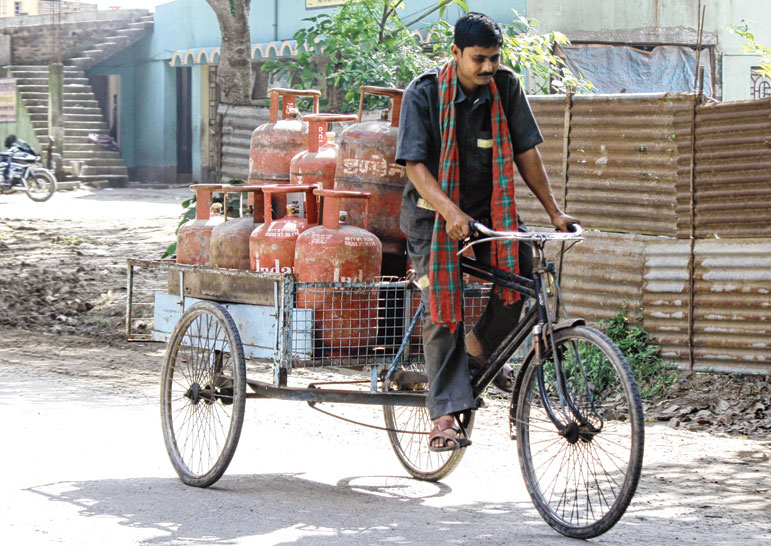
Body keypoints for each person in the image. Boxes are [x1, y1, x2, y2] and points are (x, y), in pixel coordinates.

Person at [395, 12, 579, 451]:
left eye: (494, 58)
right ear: (455, 53)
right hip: (430, 215)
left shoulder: (506, 87)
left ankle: (476, 351)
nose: (488, 68)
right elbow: (416, 168)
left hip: (488, 212)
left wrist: (554, 212)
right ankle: (443, 418)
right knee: (444, 303)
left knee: (521, 273)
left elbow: (526, 153)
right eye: (479, 59)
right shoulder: (423, 93)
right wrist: (449, 211)